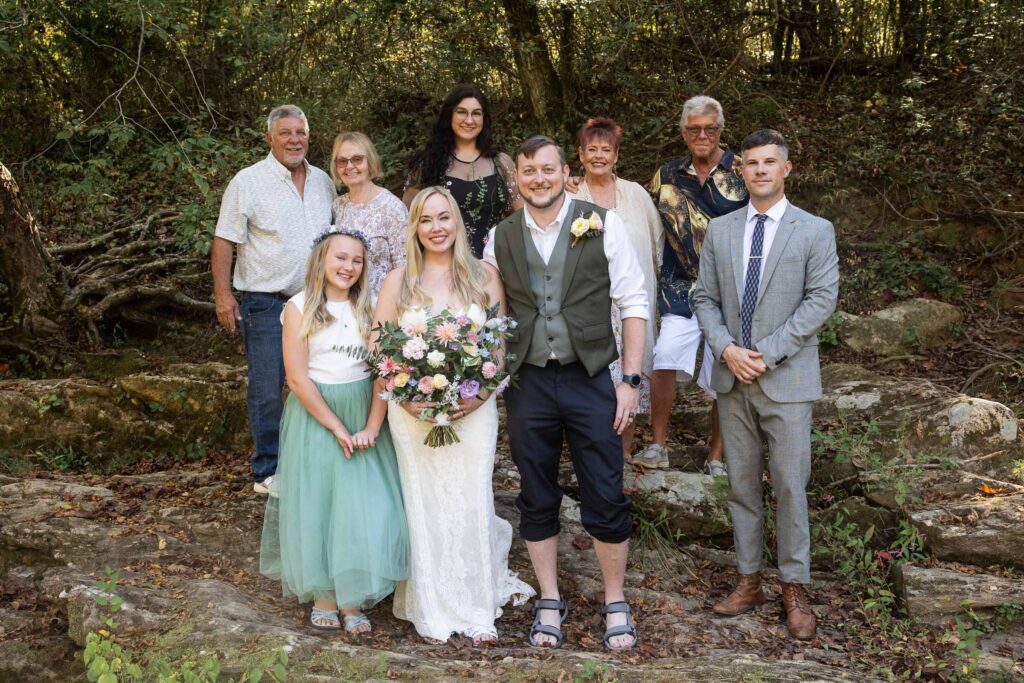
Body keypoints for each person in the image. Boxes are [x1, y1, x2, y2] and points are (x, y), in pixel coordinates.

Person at [483, 136, 648, 651]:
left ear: (564, 172)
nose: (538, 179)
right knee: (536, 492)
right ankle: (549, 598)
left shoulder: (603, 223)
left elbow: (634, 303)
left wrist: (631, 381)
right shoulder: (499, 237)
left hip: (590, 377)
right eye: (528, 171)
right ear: (518, 178)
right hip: (529, 381)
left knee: (606, 490)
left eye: (547, 170)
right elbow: (491, 312)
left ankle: (615, 600)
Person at [692, 129, 838, 641]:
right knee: (741, 485)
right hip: (733, 379)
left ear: (786, 169)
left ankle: (794, 588)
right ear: (741, 171)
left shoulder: (814, 230)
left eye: (768, 162)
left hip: (787, 379)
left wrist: (765, 353)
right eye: (750, 163)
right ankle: (748, 579)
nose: (759, 170)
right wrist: (727, 349)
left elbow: (820, 300)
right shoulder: (721, 230)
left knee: (791, 486)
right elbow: (704, 298)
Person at [374, 186, 534, 644]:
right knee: (422, 500)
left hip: (473, 410)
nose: (436, 228)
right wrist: (406, 397)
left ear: (457, 222)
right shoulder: (399, 281)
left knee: (471, 496)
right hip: (412, 412)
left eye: (444, 217)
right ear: (415, 228)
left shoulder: (483, 276)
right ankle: (432, 605)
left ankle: (477, 606)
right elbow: (379, 348)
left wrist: (477, 398)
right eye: (426, 220)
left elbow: (498, 347)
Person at [259, 228, 409, 633]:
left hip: (363, 409)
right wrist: (337, 426)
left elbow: (383, 370)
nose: (349, 267)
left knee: (364, 504)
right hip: (317, 414)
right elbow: (297, 378)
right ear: (322, 259)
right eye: (341, 258)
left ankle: (352, 597)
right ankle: (324, 594)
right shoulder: (299, 307)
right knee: (320, 503)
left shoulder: (372, 307)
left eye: (357, 260)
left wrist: (372, 424)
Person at [211, 104, 336, 495]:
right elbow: (223, 240)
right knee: (268, 388)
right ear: (269, 138)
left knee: (321, 381)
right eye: (285, 133)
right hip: (267, 302)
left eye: (300, 132)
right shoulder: (247, 182)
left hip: (317, 301)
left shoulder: (323, 181)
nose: (294, 140)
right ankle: (269, 470)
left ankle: (313, 462)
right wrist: (223, 295)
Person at [637, 95, 748, 474]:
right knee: (665, 357)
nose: (702, 135)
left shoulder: (743, 171)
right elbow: (637, 213)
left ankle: (716, 457)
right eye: (694, 129)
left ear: (721, 130)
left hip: (730, 290)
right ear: (683, 132)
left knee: (725, 371)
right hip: (679, 286)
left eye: (710, 129)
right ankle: (658, 446)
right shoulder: (666, 174)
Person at [568, 117, 661, 460]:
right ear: (580, 155)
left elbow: (657, 244)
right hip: (588, 304)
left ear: (617, 155)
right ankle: (591, 453)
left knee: (630, 373)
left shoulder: (636, 194)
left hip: (631, 301)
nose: (598, 156)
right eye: (591, 149)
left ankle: (624, 452)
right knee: (591, 377)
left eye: (606, 149)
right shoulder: (569, 195)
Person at [403, 84, 520, 258]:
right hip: (442, 264)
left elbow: (522, 217)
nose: (469, 120)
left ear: (484, 118)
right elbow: (407, 220)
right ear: (449, 115)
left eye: (476, 113)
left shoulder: (502, 163)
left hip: (494, 262)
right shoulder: (426, 164)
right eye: (462, 112)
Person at [330, 131, 408, 297]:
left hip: (381, 304)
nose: (349, 166)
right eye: (342, 161)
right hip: (344, 302)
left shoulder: (392, 207)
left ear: (370, 161)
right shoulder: (337, 206)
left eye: (357, 159)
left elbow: (404, 268)